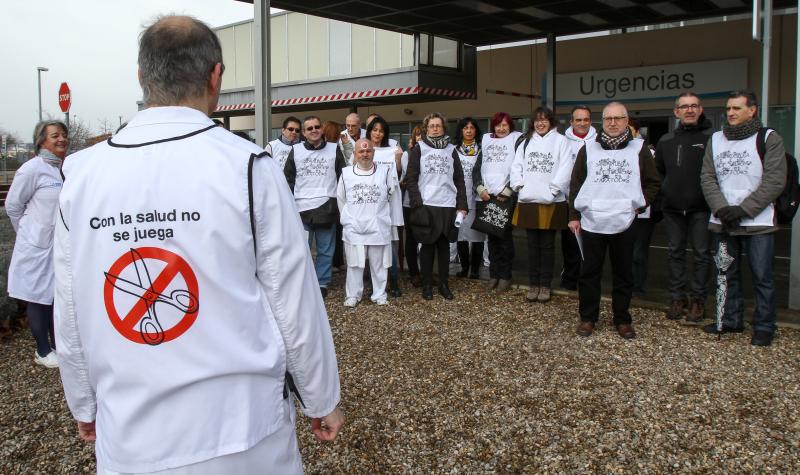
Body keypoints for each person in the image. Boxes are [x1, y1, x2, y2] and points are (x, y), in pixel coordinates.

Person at [54, 16, 344, 473]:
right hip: (244, 434)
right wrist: (321, 396)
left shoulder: (80, 176)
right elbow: (293, 302)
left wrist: (84, 403)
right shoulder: (249, 167)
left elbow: (69, 307)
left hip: (131, 433)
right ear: (216, 77)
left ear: (141, 77)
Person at [700, 90, 786, 347]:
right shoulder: (716, 139)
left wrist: (742, 210)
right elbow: (707, 177)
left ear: (752, 110)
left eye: (737, 108)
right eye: (728, 109)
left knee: (762, 276)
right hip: (723, 221)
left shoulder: (769, 138)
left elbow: (774, 180)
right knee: (726, 274)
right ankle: (729, 320)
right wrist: (722, 209)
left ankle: (764, 326)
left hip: (757, 223)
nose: (730, 113)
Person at [569, 101, 660, 339]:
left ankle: (622, 319)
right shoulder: (588, 149)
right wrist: (574, 215)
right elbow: (576, 184)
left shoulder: (640, 149)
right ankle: (588, 318)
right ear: (603, 121)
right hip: (592, 221)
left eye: (618, 118)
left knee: (623, 273)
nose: (612, 123)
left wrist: (640, 204)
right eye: (608, 118)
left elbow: (653, 182)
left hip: (625, 222)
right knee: (589, 273)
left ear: (626, 121)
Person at [6, 120, 69, 368]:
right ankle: (42, 350)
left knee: (55, 296)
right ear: (41, 140)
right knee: (37, 297)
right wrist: (28, 233)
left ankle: (58, 346)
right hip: (36, 246)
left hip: (58, 245)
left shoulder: (62, 169)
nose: (61, 139)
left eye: (63, 135)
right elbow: (13, 206)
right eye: (55, 135)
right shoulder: (31, 169)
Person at [655, 92, 713, 323]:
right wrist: (664, 195)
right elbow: (659, 172)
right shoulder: (666, 140)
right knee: (674, 253)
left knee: (701, 255)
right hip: (673, 209)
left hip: (701, 208)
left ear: (700, 110)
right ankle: (677, 297)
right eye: (684, 107)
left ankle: (698, 300)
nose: (689, 110)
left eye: (694, 106)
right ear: (676, 112)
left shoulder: (712, 139)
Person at [511, 107, 572, 303]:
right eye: (537, 120)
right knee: (532, 245)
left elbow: (566, 167)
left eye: (545, 119)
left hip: (551, 201)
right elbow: (516, 165)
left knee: (547, 245)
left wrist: (553, 190)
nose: (541, 123)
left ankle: (545, 284)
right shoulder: (526, 141)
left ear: (551, 121)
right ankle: (533, 283)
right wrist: (519, 186)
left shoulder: (561, 141)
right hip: (529, 199)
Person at [406, 113, 468, 300]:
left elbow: (459, 179)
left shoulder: (452, 150)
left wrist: (462, 205)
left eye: (438, 125)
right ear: (426, 128)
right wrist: (417, 203)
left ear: (443, 128)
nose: (435, 128)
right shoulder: (420, 148)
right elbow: (411, 178)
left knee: (444, 247)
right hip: (426, 205)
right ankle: (427, 285)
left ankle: (443, 284)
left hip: (447, 204)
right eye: (431, 125)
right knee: (427, 247)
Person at [285, 115, 349, 298]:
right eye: (309, 128)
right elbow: (288, 179)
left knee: (325, 250)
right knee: (300, 250)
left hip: (326, 207)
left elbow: (342, 177)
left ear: (321, 129)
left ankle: (322, 282)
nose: (314, 130)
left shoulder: (333, 149)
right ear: (304, 133)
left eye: (316, 127)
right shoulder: (295, 151)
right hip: (300, 208)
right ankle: (302, 282)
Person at [337, 139, 403, 307]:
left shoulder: (385, 171)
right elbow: (341, 200)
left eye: (368, 151)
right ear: (355, 153)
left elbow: (391, 195)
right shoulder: (346, 173)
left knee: (379, 263)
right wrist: (350, 220)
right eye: (361, 151)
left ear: (373, 153)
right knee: (354, 264)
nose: (365, 154)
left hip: (378, 227)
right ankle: (353, 295)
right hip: (354, 228)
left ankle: (379, 294)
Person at [474, 112, 522, 292]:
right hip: (487, 196)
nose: (501, 129)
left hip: (505, 197)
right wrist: (480, 189)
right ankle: (494, 274)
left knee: (505, 239)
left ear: (510, 126)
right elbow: (477, 168)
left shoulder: (516, 141)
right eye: (497, 125)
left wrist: (509, 190)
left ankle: (505, 276)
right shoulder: (486, 141)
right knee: (491, 238)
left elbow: (520, 167)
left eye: (504, 125)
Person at [559, 106, 596, 291]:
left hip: (593, 202)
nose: (582, 123)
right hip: (568, 200)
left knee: (591, 244)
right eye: (578, 120)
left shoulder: (598, 141)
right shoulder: (563, 141)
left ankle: (587, 280)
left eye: (586, 119)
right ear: (571, 122)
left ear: (591, 121)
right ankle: (570, 279)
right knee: (570, 244)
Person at [366, 117, 404, 296]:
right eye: (374, 129)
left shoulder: (392, 150)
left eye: (381, 130)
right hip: (368, 204)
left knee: (389, 245)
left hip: (389, 204)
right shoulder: (363, 149)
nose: (377, 133)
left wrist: (397, 158)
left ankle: (394, 281)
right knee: (368, 243)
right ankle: (371, 281)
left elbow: (398, 175)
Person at [628, 117, 661, 296]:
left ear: (636, 131)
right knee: (624, 252)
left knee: (638, 252)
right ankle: (626, 284)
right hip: (620, 211)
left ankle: (638, 287)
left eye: (629, 128)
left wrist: (644, 202)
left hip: (641, 212)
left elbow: (654, 182)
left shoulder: (648, 152)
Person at [453, 118, 485, 279]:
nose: (469, 130)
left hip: (477, 197)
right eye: (465, 127)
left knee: (477, 236)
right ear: (461, 131)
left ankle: (475, 270)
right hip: (460, 198)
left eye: (472, 127)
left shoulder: (482, 150)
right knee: (461, 235)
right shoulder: (454, 150)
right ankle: (464, 267)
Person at [400, 125, 424, 286]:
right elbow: (406, 178)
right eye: (418, 135)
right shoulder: (407, 155)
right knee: (411, 239)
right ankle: (414, 272)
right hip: (410, 202)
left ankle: (427, 271)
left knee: (428, 238)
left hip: (430, 202)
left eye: (423, 135)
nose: (420, 138)